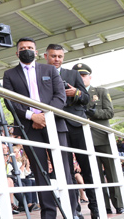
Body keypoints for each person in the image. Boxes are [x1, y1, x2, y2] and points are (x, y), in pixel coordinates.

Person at [2, 37, 78, 219]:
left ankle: (72, 211)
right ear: (17, 52)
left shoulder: (50, 70)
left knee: (64, 170)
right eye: (23, 48)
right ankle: (48, 214)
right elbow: (9, 100)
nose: (26, 50)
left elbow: (60, 96)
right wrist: (31, 116)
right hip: (29, 126)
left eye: (30, 47)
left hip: (54, 125)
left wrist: (43, 116)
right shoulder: (10, 74)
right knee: (39, 171)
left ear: (36, 52)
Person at [44, 44, 96, 217]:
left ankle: (96, 209)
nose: (56, 59)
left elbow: (86, 99)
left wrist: (76, 93)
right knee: (65, 171)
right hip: (55, 125)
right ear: (46, 56)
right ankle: (74, 211)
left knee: (87, 168)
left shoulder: (73, 74)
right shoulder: (39, 74)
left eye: (60, 56)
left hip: (76, 125)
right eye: (53, 56)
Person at [74, 63, 124, 214]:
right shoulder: (72, 94)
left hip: (103, 137)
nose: (82, 79)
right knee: (95, 176)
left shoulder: (101, 91)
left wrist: (93, 114)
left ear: (90, 77)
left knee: (111, 173)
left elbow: (109, 112)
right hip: (84, 139)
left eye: (84, 76)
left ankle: (119, 204)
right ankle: (104, 206)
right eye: (79, 76)